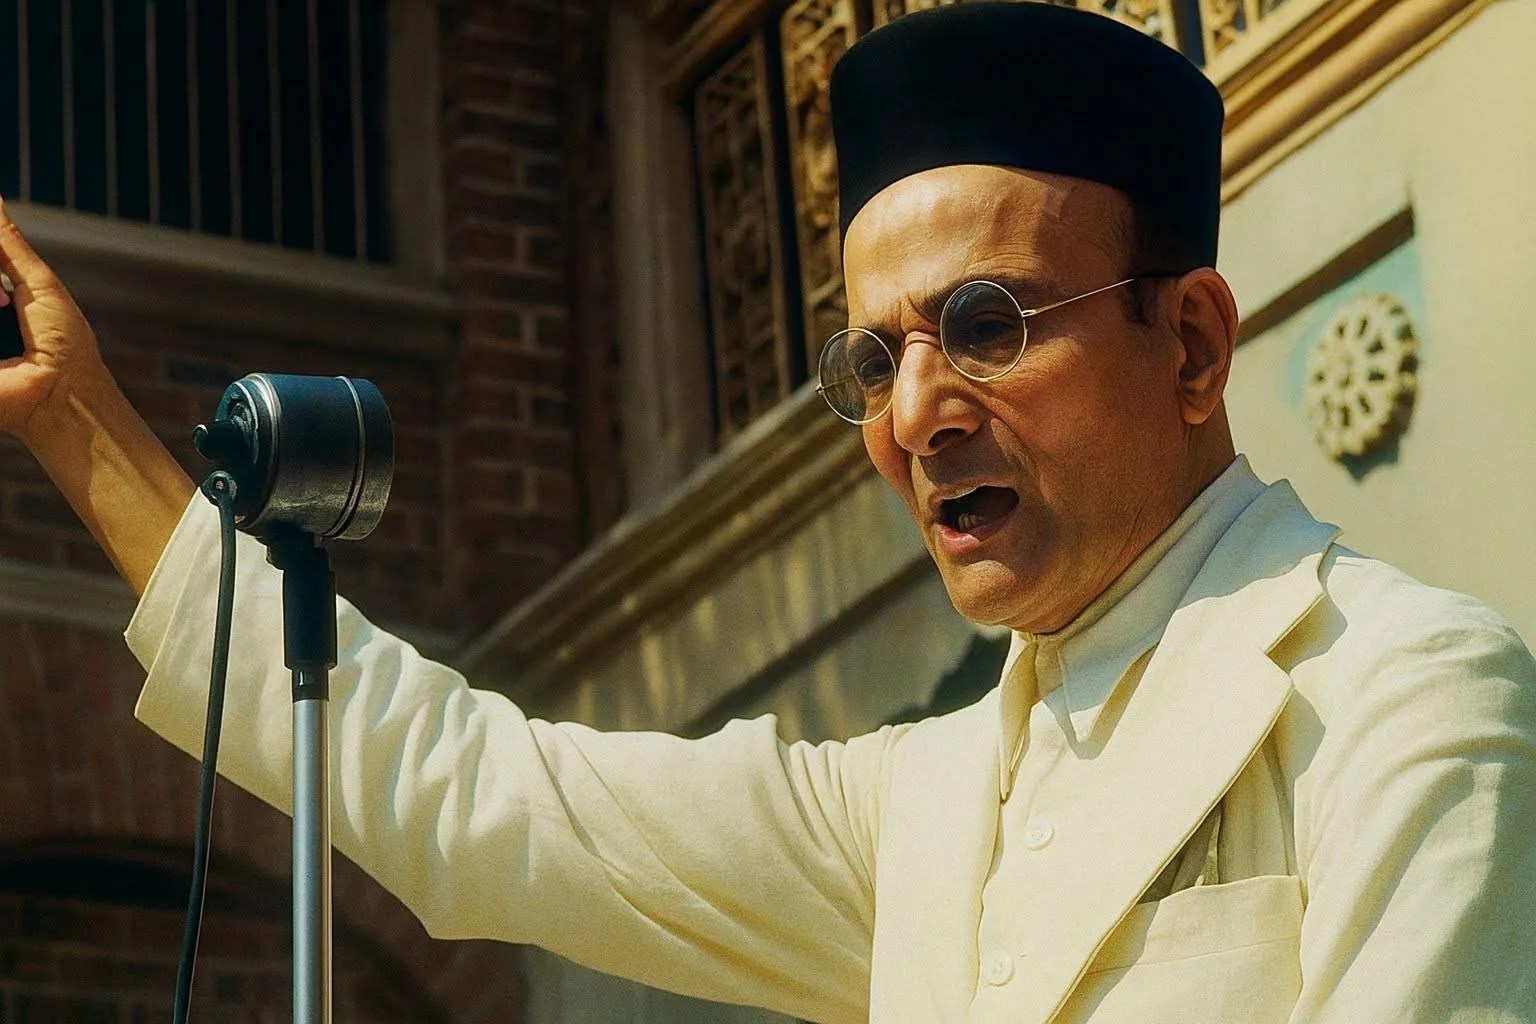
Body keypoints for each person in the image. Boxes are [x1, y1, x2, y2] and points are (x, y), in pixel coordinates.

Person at [2, 3, 1534, 1021]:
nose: (918, 413)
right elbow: (478, 797)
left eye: (988, 323)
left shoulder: (1404, 694)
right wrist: (75, 421)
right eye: (873, 357)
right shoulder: (919, 811)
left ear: (1191, 343)